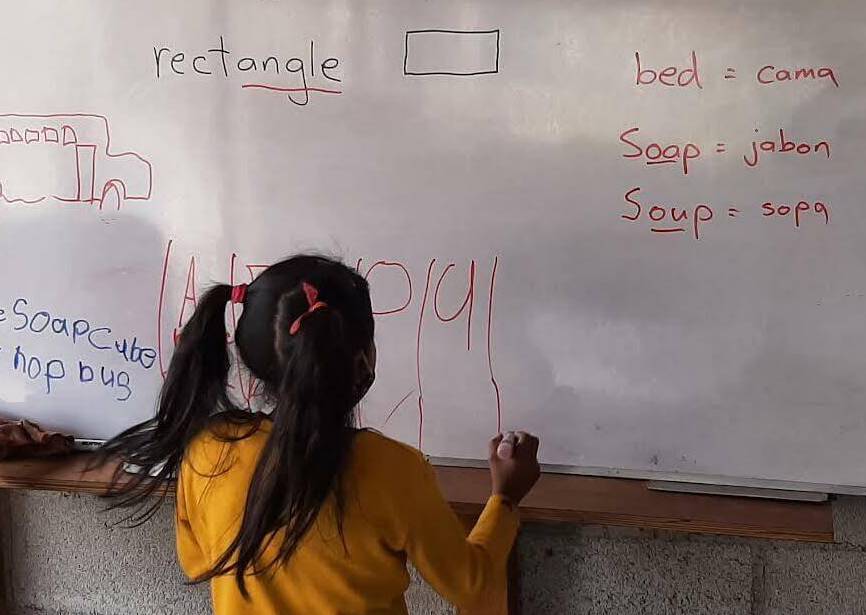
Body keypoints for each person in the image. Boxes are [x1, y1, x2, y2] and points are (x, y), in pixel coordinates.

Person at [100, 254, 540, 614]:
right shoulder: (393, 469)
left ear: (250, 359)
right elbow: (470, 585)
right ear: (364, 358)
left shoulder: (206, 452)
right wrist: (505, 499)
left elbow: (196, 563)